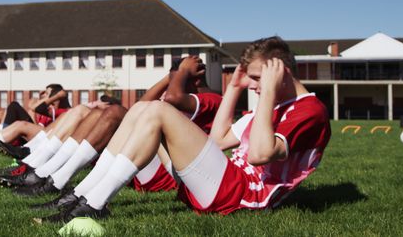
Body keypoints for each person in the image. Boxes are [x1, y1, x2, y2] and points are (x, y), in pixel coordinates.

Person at [42, 36, 331, 222]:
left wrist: (266, 93)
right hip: (225, 184)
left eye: (257, 78)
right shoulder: (271, 106)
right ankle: (82, 194)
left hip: (244, 195)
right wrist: (234, 86)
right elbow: (218, 140)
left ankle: (93, 203)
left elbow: (259, 154)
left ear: (282, 73)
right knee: (143, 109)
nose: (253, 85)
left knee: (158, 110)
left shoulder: (310, 110)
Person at [5, 56, 222, 198]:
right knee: (100, 113)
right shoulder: (182, 95)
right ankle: (45, 173)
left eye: (176, 79)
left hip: (165, 174)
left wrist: (181, 72)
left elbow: (173, 98)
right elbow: (142, 104)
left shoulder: (211, 99)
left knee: (115, 113)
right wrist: (170, 76)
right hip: (149, 162)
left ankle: (53, 178)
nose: (171, 85)